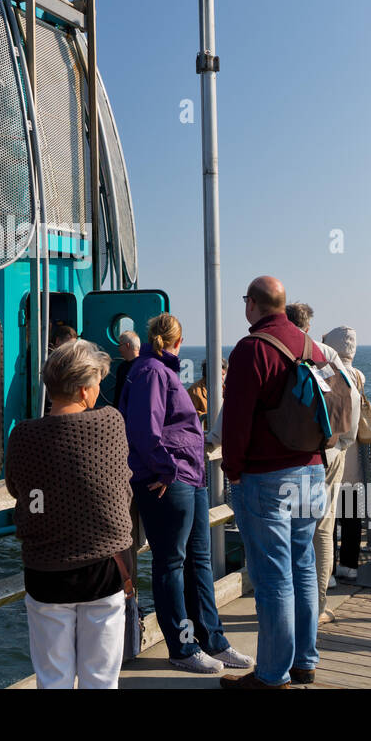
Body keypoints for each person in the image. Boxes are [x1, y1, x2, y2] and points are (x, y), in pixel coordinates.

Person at [121, 312, 250, 674]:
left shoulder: (159, 370)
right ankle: (181, 646)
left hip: (188, 477)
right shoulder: (151, 371)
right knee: (171, 564)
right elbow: (144, 430)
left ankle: (212, 639)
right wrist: (165, 469)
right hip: (169, 479)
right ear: (178, 341)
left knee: (199, 560)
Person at [5, 340, 133, 688]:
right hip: (103, 566)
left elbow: (19, 490)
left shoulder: (23, 435)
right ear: (82, 389)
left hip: (46, 569)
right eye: (96, 384)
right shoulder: (110, 422)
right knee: (101, 678)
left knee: (53, 678)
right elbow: (121, 482)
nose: (98, 392)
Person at [220, 276, 327, 689]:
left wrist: (232, 469)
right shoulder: (308, 345)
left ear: (253, 305)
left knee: (272, 578)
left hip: (267, 476)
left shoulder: (252, 349)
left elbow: (237, 417)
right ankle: (304, 662)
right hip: (311, 470)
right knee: (302, 567)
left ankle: (271, 675)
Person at [285, 304, 354, 622]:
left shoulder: (272, 348)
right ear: (309, 326)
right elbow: (350, 396)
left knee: (284, 529)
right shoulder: (324, 352)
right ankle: (317, 607)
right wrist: (343, 441)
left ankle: (285, 603)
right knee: (322, 529)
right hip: (329, 451)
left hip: (287, 456)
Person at [322, 326, 365, 596]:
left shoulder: (327, 372)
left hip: (332, 449)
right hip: (354, 451)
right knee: (351, 513)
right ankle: (350, 564)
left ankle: (327, 573)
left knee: (325, 518)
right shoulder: (359, 375)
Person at [187, 357, 228, 428]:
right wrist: (210, 417)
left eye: (223, 374)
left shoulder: (227, 389)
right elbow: (189, 415)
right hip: (205, 434)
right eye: (218, 374)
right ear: (207, 374)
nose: (221, 377)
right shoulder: (194, 391)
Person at [112, 330, 139, 408]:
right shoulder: (122, 367)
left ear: (127, 345)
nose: (118, 348)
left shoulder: (142, 368)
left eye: (120, 345)